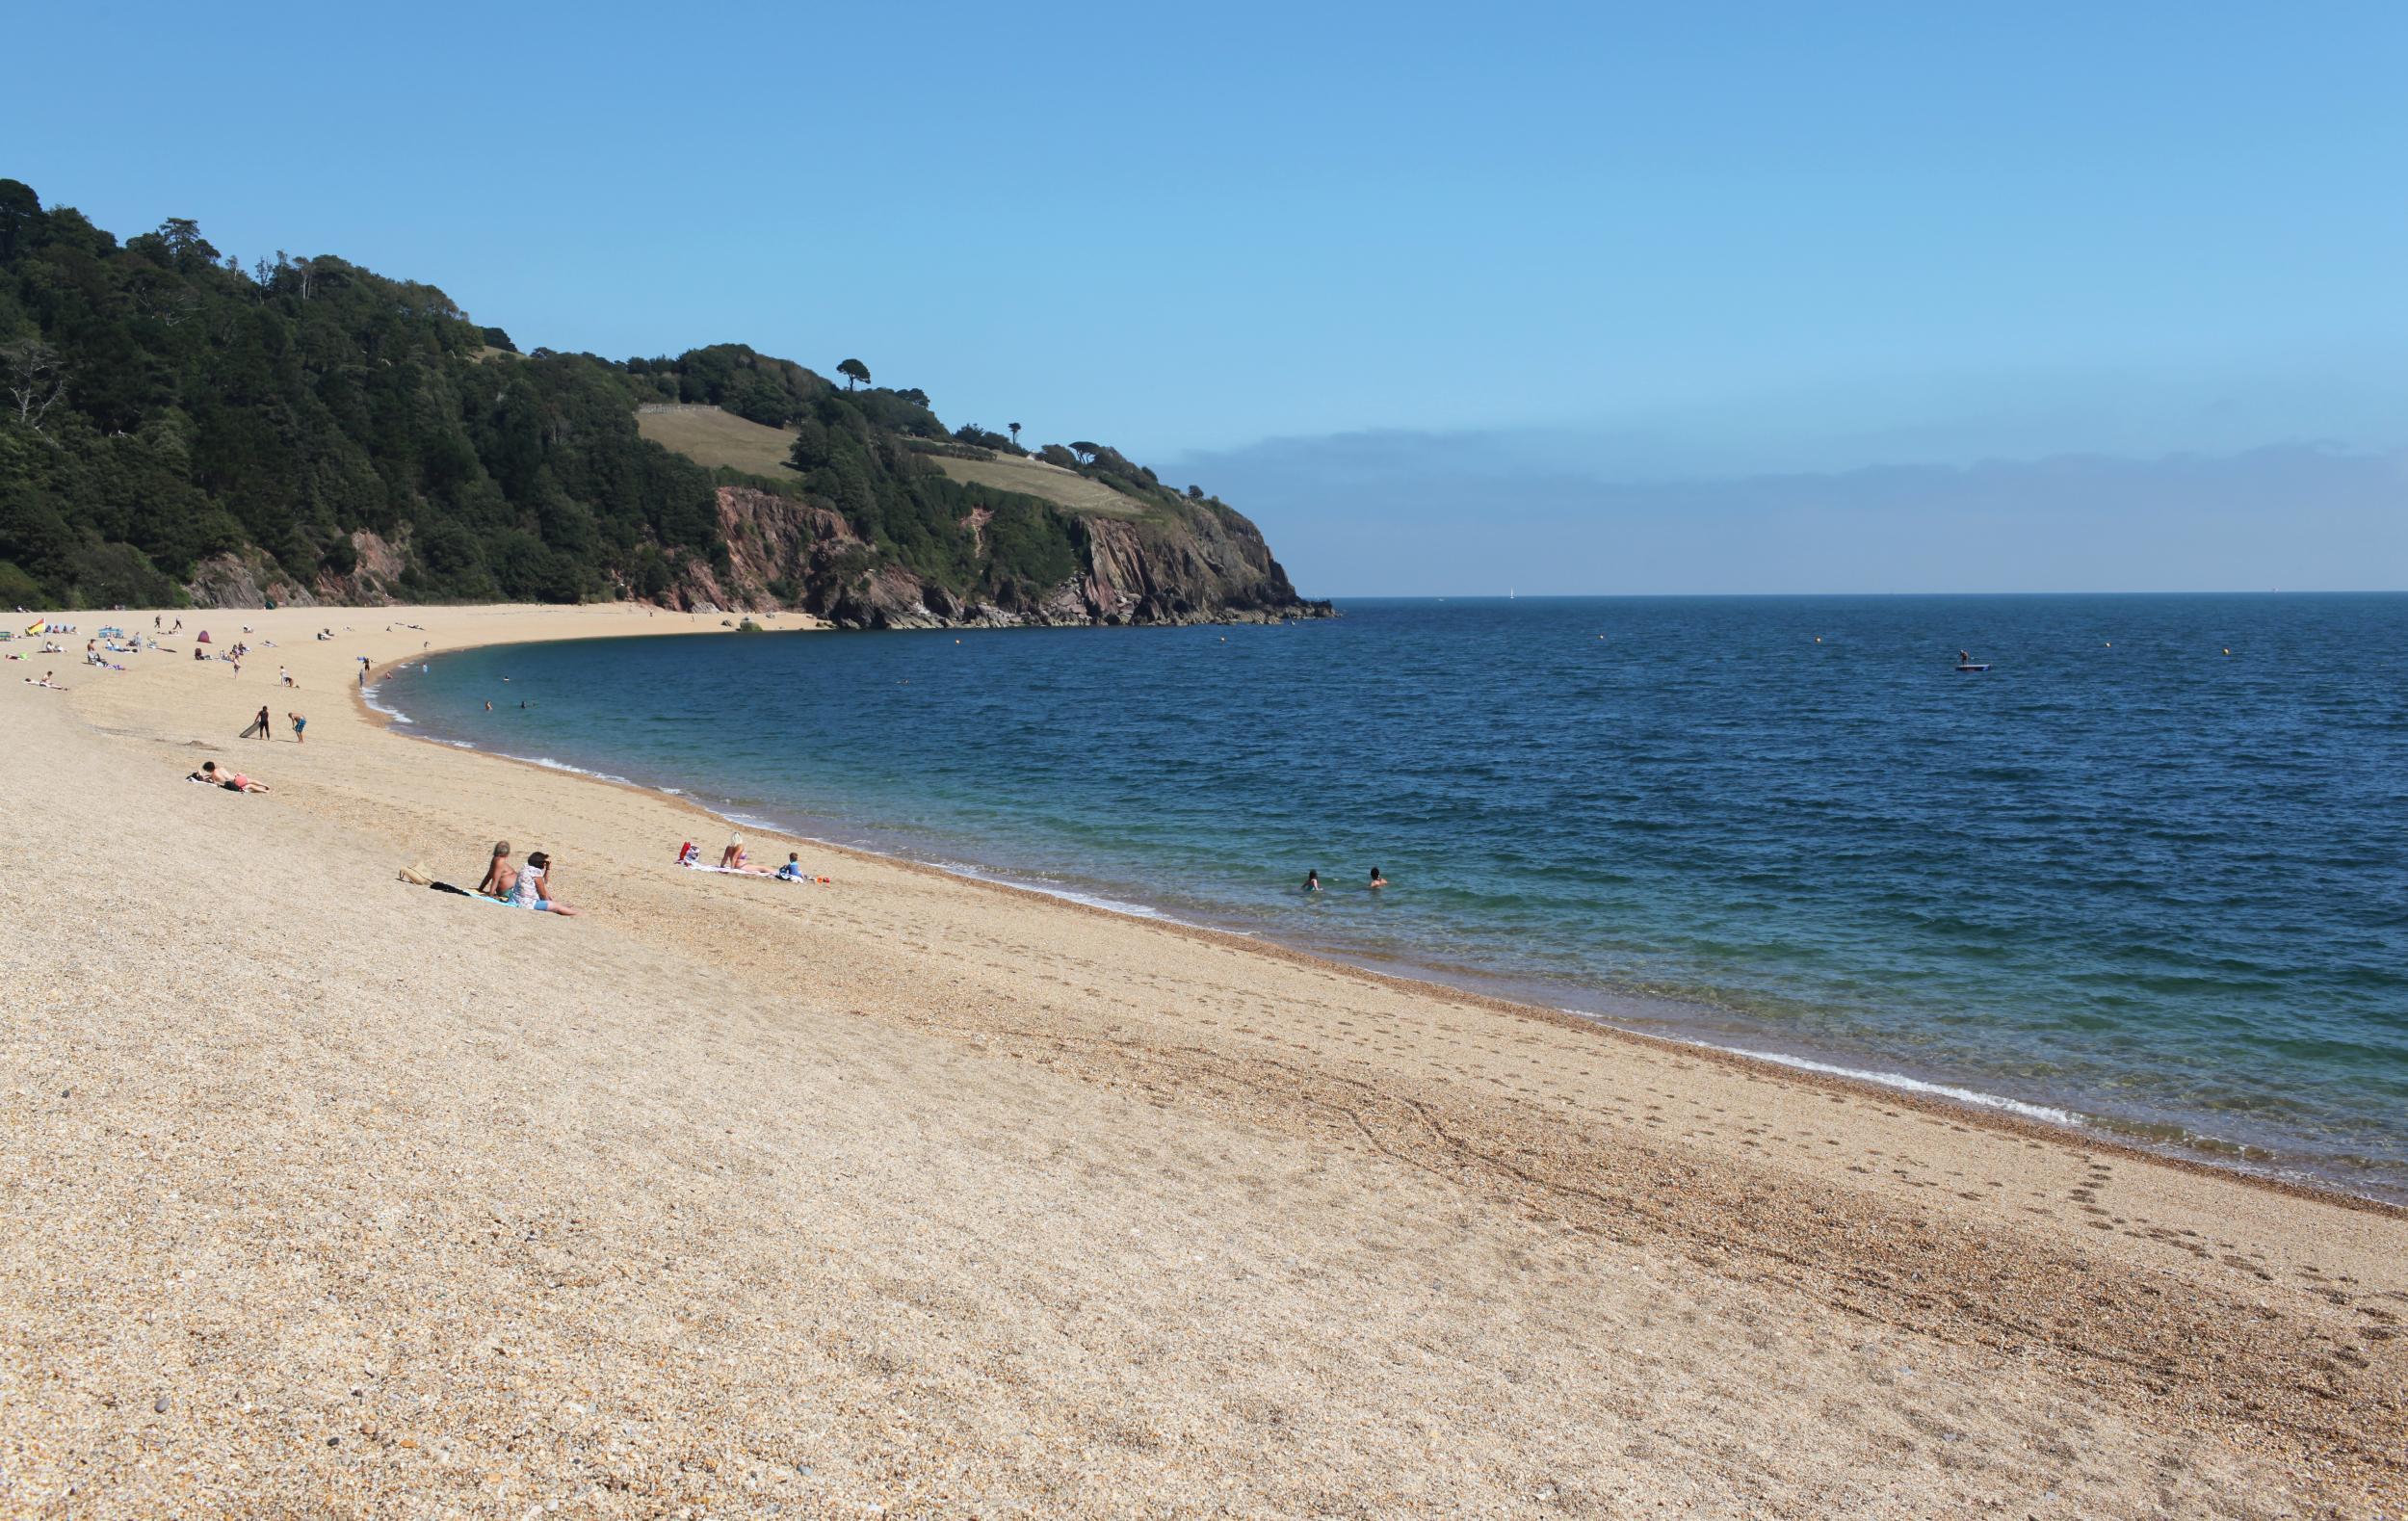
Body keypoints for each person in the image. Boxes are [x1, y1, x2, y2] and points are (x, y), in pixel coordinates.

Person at [505, 851, 582, 915]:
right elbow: (543, 893)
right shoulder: (535, 872)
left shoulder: (525, 868)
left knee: (553, 902)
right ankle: (577, 914)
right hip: (527, 904)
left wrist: (547, 868)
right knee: (557, 907)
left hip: (516, 900)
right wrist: (550, 903)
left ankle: (559, 905)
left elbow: (543, 882)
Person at [194, 761, 270, 793]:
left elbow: (216, 782)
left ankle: (265, 791)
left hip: (235, 783)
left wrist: (210, 779)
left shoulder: (213, 775)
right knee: (252, 781)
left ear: (208, 769)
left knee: (250, 786)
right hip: (237, 778)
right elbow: (226, 776)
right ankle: (265, 785)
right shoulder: (221, 768)